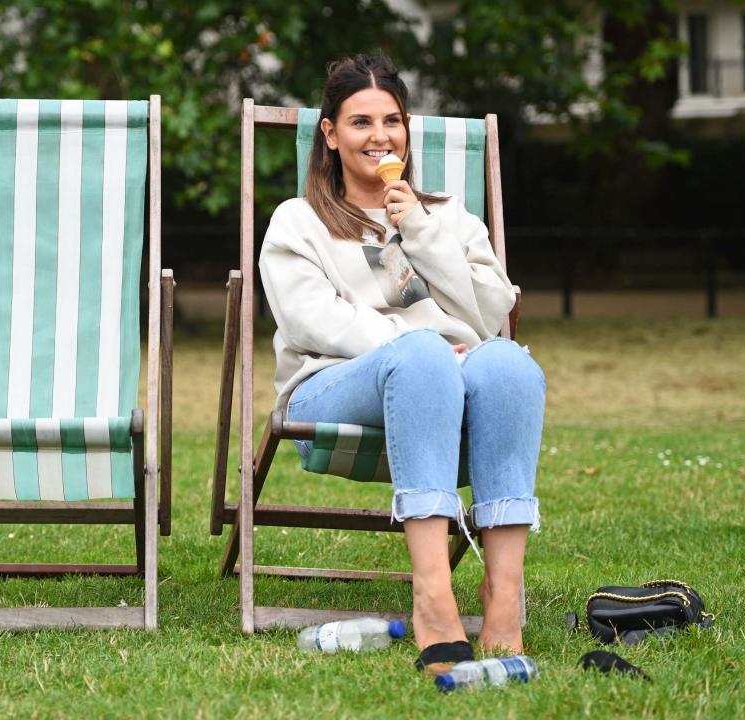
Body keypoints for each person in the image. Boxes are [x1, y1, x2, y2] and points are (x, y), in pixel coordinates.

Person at [258, 55, 545, 674]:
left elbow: (493, 308)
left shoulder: (447, 218)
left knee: (510, 366)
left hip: (447, 387)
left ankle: (503, 601)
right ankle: (433, 598)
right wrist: (421, 344)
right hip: (329, 387)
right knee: (418, 355)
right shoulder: (298, 221)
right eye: (360, 122)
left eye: (392, 120)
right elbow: (314, 322)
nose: (380, 136)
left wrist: (417, 225)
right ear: (331, 135)